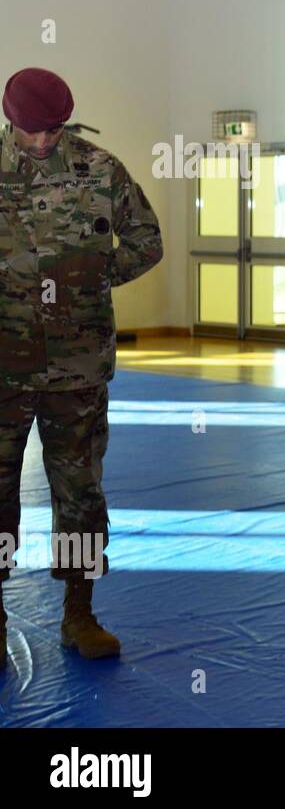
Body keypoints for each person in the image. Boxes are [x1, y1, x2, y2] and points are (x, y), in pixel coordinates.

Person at [0, 67, 163, 666]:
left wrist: (93, 277)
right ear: (8, 115)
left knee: (81, 493)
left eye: (53, 131)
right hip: (4, 368)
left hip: (79, 366)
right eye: (31, 131)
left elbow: (147, 240)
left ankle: (80, 613)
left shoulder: (100, 169)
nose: (43, 142)